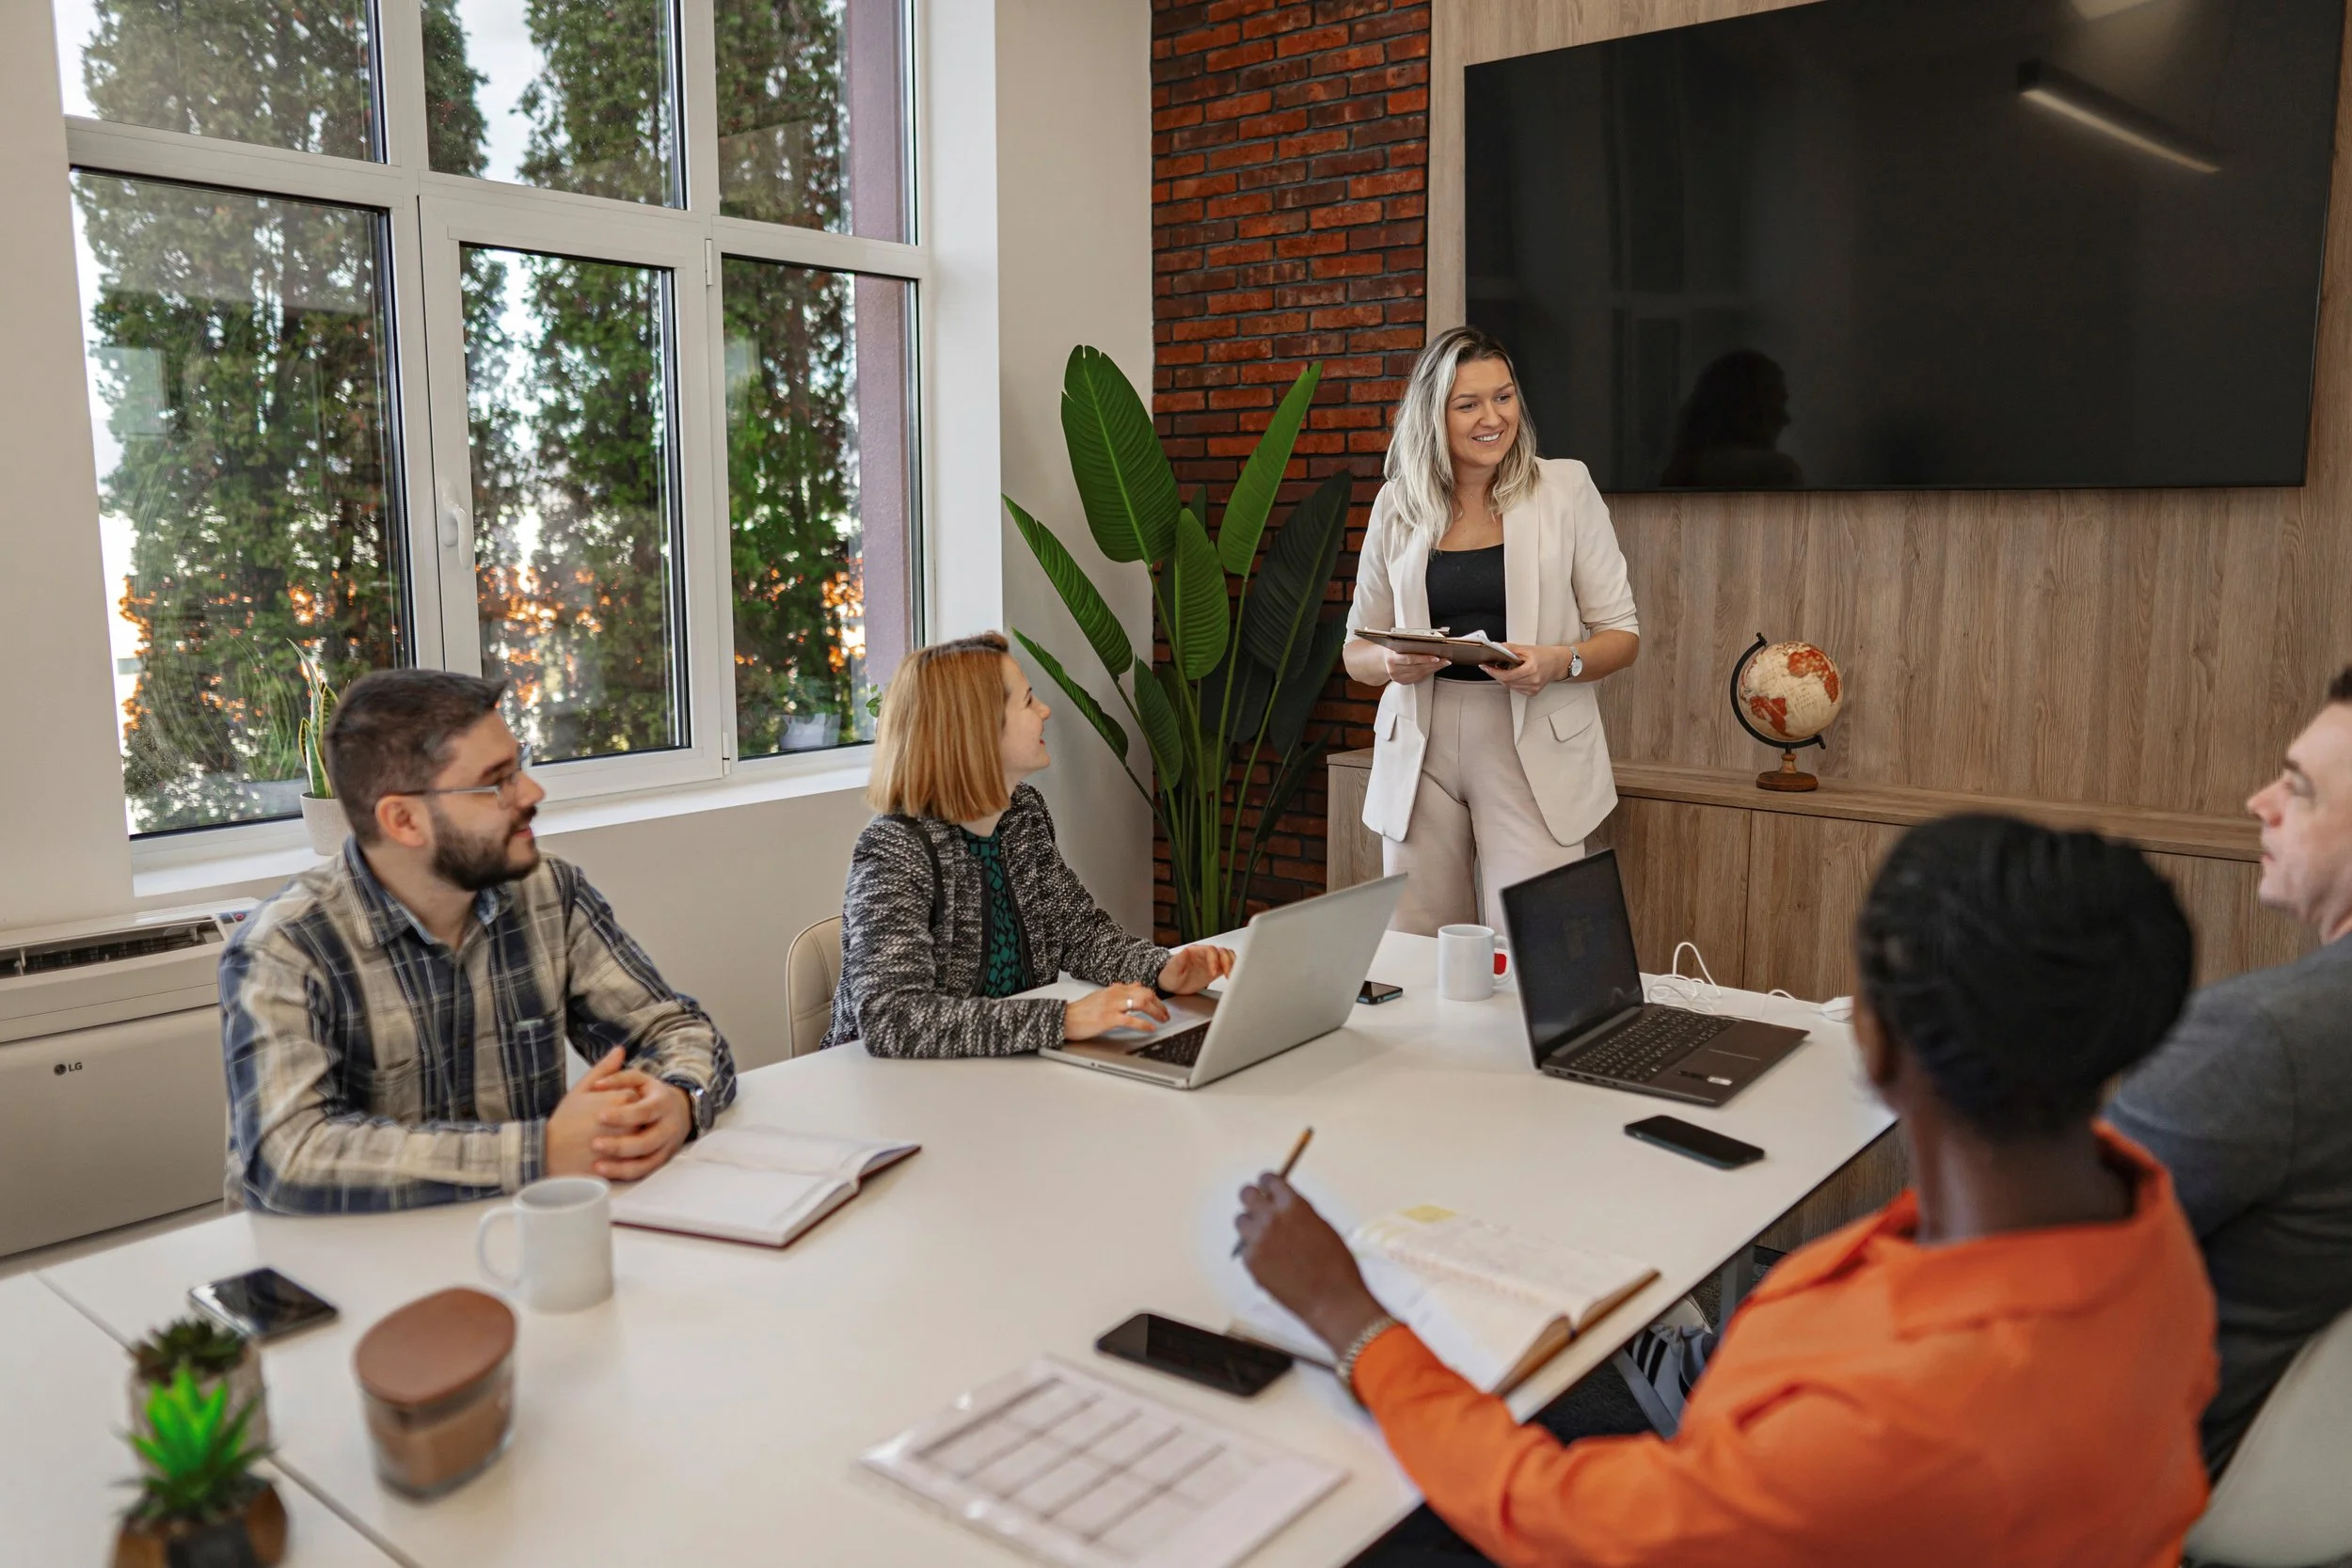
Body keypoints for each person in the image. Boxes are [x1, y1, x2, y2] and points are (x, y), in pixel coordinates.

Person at [1235, 815, 2217, 1567]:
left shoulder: (1895, 1428)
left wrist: (1349, 1315)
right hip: (1790, 1473)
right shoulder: (2141, 1229)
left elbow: (1556, 1515)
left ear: (1873, 1039)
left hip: (1700, 1508)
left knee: (1351, 1510)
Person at [220, 670, 738, 1214]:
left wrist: (680, 1099)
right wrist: (542, 1152)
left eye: (521, 766)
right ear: (403, 819)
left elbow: (672, 1029)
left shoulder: (549, 892)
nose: (532, 793)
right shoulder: (285, 947)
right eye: (497, 781)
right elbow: (291, 1156)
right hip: (338, 1275)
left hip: (519, 1243)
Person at [2107, 666, 2352, 1477]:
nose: (2260, 801)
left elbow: (2015, 1249)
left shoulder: (2263, 1039)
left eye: (2299, 787)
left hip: (2123, 1471)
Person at [1343, 325, 1640, 937]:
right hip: (1420, 744)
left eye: (1503, 397)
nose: (1493, 417)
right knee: (1418, 953)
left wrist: (1559, 661)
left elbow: (1621, 633)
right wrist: (1391, 664)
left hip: (1531, 741)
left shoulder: (1565, 489)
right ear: (1434, 414)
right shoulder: (1398, 504)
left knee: (1540, 948)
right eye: (1468, 403)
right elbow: (1355, 651)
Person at [824, 632, 1233, 1058]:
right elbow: (892, 1019)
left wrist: (1164, 971)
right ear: (977, 730)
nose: (1045, 711)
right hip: (892, 1094)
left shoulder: (1022, 814)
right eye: (1028, 701)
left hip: (1003, 1075)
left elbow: (1080, 933)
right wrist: (1065, 1019)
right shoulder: (895, 848)